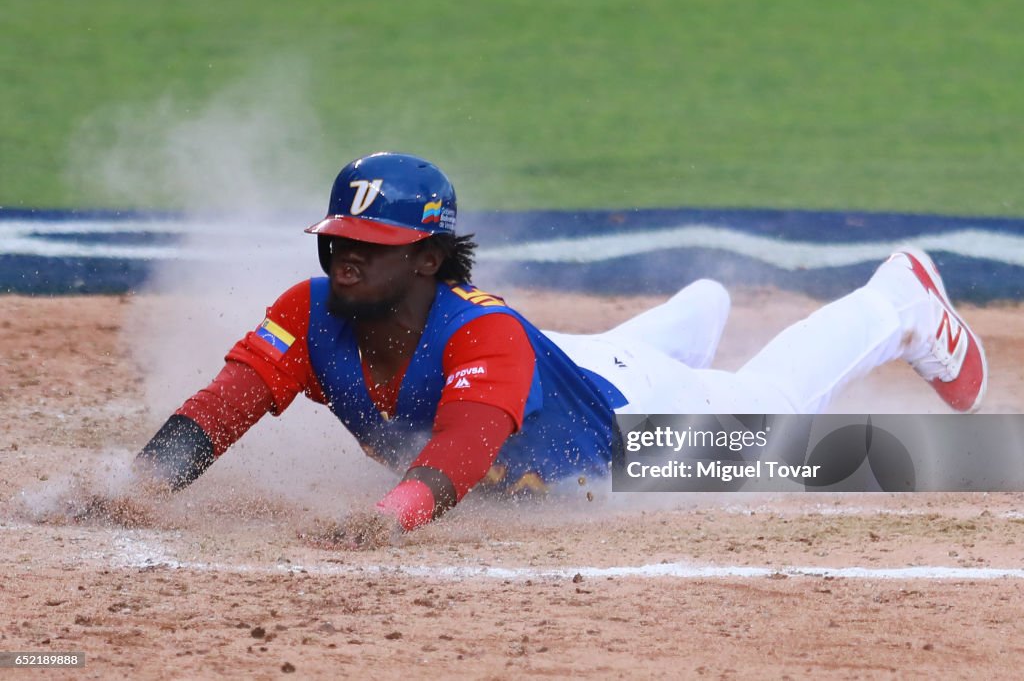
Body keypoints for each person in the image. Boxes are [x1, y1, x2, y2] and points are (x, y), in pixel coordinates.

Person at [133, 151, 988, 545]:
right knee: (581, 361)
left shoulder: (484, 336)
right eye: (338, 237)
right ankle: (699, 312)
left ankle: (899, 298)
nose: (345, 254)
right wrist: (132, 487)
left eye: (372, 241)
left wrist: (388, 517)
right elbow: (225, 401)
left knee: (777, 418)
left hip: (637, 436)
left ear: (428, 258)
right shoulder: (311, 311)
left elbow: (463, 450)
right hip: (571, 368)